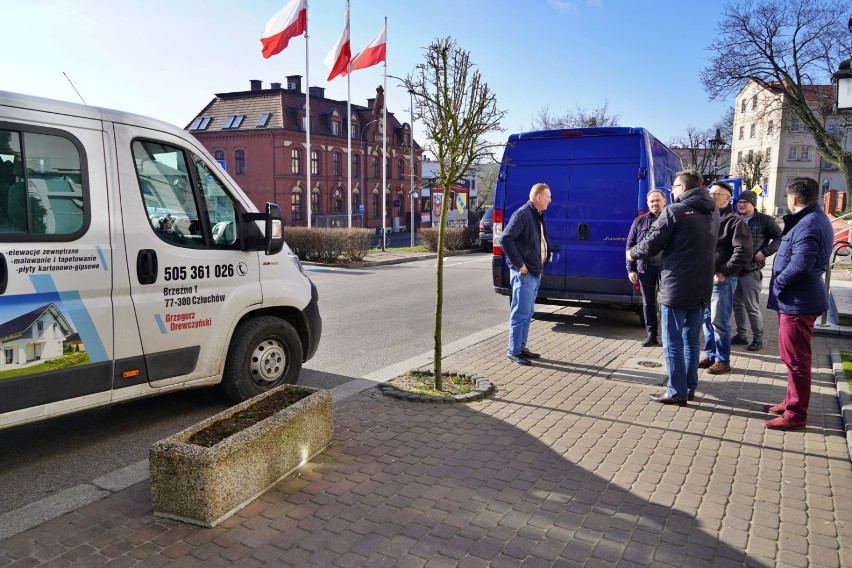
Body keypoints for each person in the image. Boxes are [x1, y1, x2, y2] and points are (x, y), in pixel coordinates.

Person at [627, 169, 719, 405]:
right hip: (701, 285)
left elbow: (651, 243)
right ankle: (689, 387)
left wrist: (631, 253)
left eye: (675, 187)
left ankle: (676, 391)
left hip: (677, 286)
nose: (673, 191)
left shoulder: (676, 210)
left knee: (673, 342)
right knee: (691, 340)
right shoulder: (713, 211)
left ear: (684, 188)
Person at [764, 177, 833, 430]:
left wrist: (778, 284)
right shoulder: (812, 218)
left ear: (792, 198)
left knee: (797, 360)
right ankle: (789, 401)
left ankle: (795, 413)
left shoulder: (809, 223)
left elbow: (801, 265)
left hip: (799, 300)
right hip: (798, 299)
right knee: (791, 357)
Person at [698, 182, 752, 375]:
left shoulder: (734, 221)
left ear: (727, 198)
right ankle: (711, 354)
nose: (711, 196)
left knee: (719, 321)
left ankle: (723, 360)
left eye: (716, 194)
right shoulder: (706, 217)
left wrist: (724, 272)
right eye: (710, 193)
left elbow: (743, 252)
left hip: (721, 280)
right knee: (706, 319)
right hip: (704, 278)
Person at [502, 182, 552, 366]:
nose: (550, 200)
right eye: (547, 197)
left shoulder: (537, 215)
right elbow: (505, 238)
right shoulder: (523, 214)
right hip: (525, 273)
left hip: (534, 271)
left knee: (528, 312)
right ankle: (513, 351)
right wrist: (518, 264)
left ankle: (521, 348)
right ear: (538, 198)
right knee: (520, 313)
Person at [731, 190, 782, 352]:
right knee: (736, 304)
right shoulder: (733, 219)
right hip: (733, 269)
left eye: (746, 202)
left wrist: (764, 252)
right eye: (739, 202)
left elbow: (780, 238)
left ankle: (758, 338)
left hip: (751, 270)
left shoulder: (764, 220)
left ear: (753, 204)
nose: (742, 204)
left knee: (751, 306)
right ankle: (741, 335)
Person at [626, 189, 667, 346]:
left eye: (657, 200)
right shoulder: (639, 221)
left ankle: (666, 336)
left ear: (664, 201)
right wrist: (631, 269)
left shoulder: (671, 219)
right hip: (645, 267)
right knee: (648, 303)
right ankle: (651, 335)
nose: (655, 203)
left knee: (667, 302)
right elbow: (630, 245)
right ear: (648, 203)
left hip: (666, 268)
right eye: (652, 201)